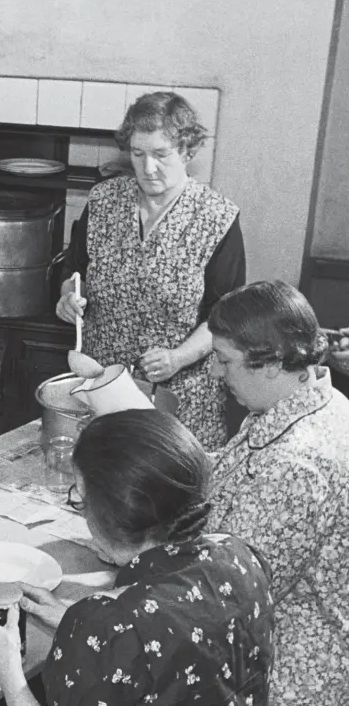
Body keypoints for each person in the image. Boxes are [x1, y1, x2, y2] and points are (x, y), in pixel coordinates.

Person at [0, 410, 273, 706]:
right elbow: (181, 642)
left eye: (79, 494)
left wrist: (6, 665)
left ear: (108, 513)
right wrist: (71, 618)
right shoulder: (240, 556)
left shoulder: (108, 623)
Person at [206, 281, 349, 706]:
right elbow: (219, 474)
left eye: (224, 360)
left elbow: (223, 597)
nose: (216, 373)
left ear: (269, 362)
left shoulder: (297, 463)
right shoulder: (306, 403)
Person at [56, 91, 246, 450]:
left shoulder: (217, 218)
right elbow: (74, 270)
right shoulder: (103, 200)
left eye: (161, 154)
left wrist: (178, 357)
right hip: (103, 388)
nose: (147, 168)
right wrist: (68, 296)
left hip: (180, 400)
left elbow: (226, 316)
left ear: (187, 152)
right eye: (138, 154)